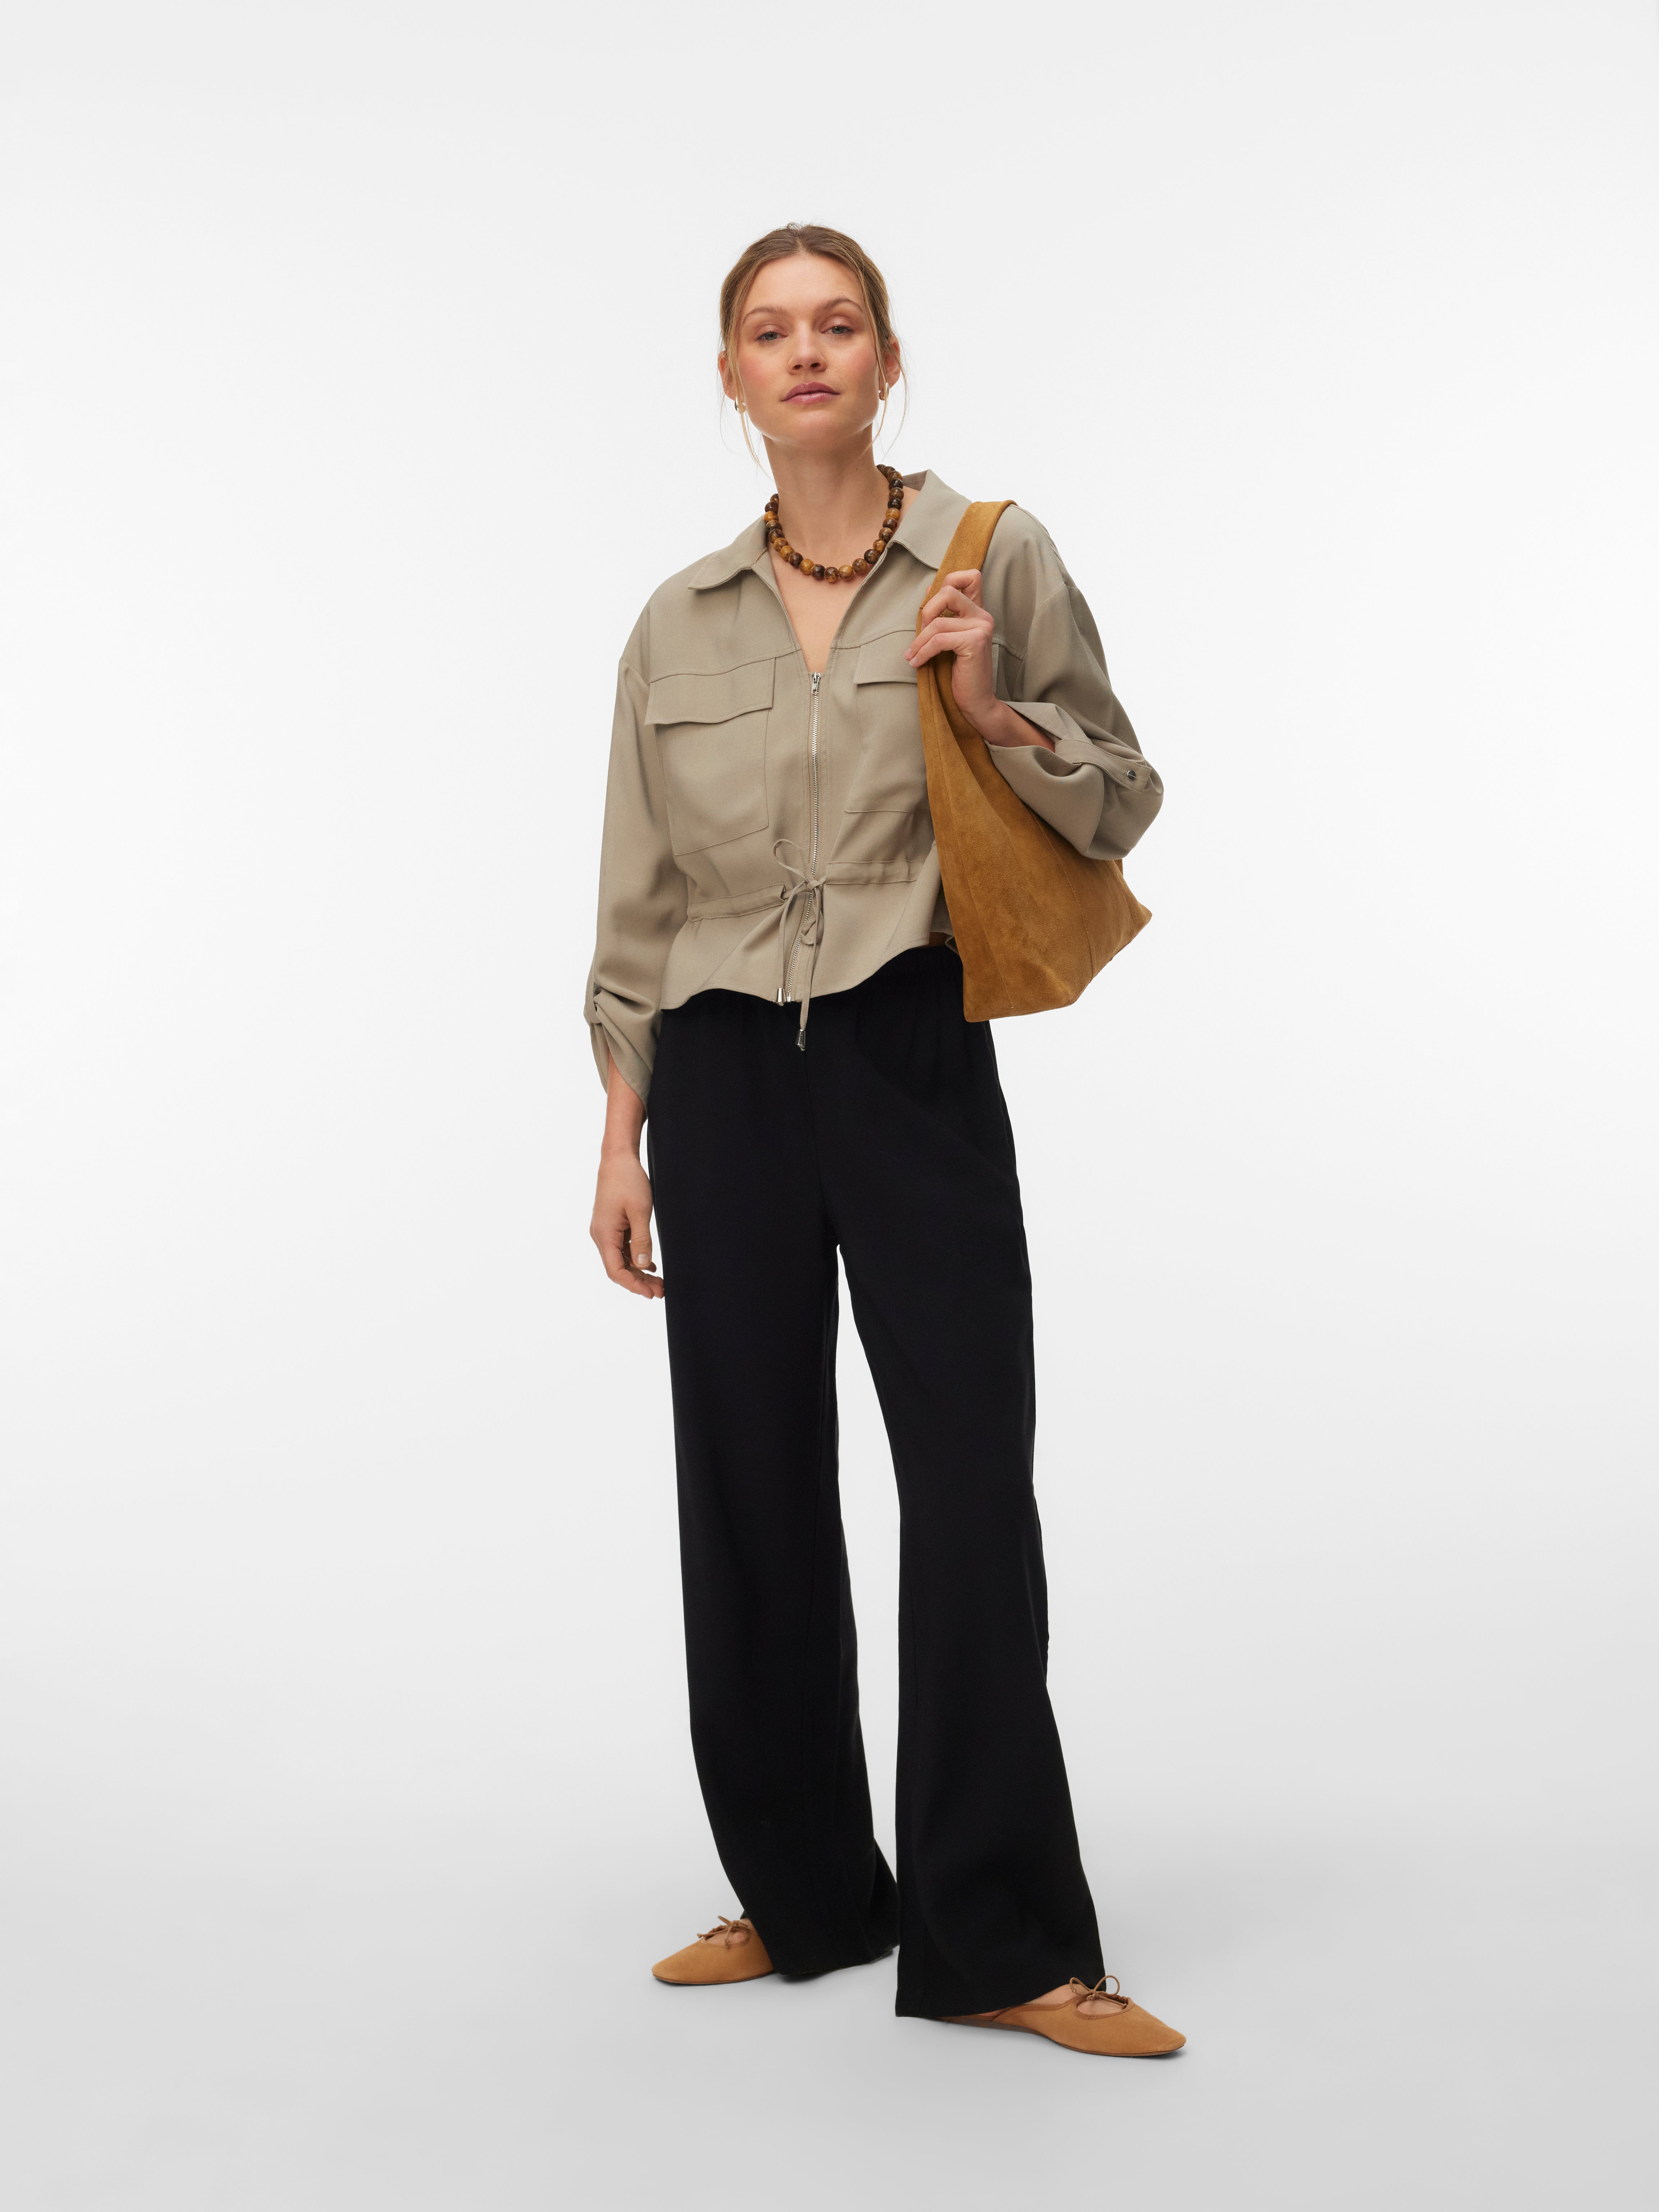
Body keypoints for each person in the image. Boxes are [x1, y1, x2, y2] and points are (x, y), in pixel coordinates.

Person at [584, 223, 1181, 2058]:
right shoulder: (676, 620)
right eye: (768, 331)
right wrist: (620, 1131)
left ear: (886, 358)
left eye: (836, 324)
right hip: (718, 1078)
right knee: (748, 1486)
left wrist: (989, 709)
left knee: (968, 1481)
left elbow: (1123, 794)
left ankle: (1003, 1940)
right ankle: (802, 1895)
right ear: (730, 377)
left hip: (909, 1046)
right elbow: (638, 893)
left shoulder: (992, 556)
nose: (804, 353)